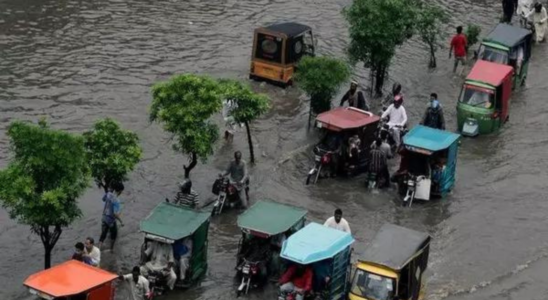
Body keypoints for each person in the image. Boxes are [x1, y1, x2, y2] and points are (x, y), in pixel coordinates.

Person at [99, 182, 124, 252]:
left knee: (103, 234)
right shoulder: (117, 201)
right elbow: (115, 214)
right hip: (111, 221)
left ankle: (99, 249)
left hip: (104, 217)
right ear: (119, 191)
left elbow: (103, 199)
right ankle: (111, 249)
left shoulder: (108, 194)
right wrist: (121, 221)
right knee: (114, 235)